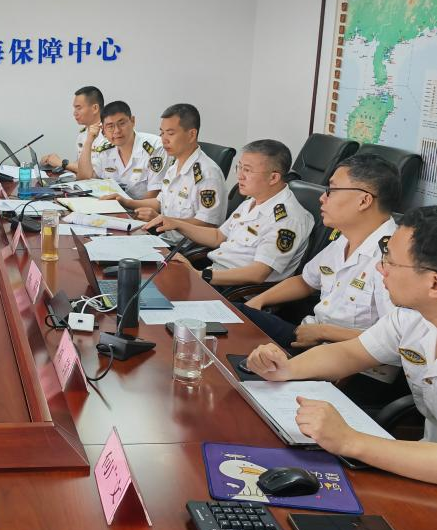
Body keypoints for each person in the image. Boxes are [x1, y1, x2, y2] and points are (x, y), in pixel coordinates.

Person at [246, 207, 437, 485]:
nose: (380, 268)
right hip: (416, 464)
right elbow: (348, 353)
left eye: (391, 263)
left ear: (433, 283)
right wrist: (285, 369)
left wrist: (349, 441)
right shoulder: (410, 317)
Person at [240, 154, 399, 350]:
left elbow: (394, 337)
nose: (322, 198)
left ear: (364, 201)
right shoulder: (345, 238)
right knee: (234, 314)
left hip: (344, 356)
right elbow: (306, 281)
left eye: (331, 191)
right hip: (308, 336)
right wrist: (259, 301)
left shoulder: (394, 259)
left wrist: (324, 332)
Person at [144, 140, 312, 286]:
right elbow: (218, 236)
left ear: (273, 178)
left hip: (234, 291)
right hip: (214, 274)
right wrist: (176, 224)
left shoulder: (288, 219)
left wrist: (200, 275)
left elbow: (258, 273)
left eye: (247, 170)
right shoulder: (253, 200)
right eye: (239, 168)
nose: (240, 176)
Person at [111, 103, 227, 241]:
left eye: (170, 133)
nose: (164, 139)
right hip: (164, 238)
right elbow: (160, 202)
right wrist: (126, 202)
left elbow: (208, 225)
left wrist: (163, 221)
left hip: (186, 247)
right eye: (162, 133)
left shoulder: (208, 174)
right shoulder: (174, 166)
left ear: (191, 135)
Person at [74, 100, 166, 199]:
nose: (117, 131)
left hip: (142, 207)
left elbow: (154, 195)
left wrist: (126, 205)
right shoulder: (104, 150)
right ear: (103, 129)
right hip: (113, 206)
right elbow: (84, 178)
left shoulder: (155, 147)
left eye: (122, 124)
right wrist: (89, 140)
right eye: (110, 126)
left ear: (132, 121)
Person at [40, 86, 110, 175]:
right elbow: (80, 164)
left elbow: (95, 172)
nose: (74, 113)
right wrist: (51, 162)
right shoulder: (83, 134)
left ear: (95, 108)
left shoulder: (110, 135)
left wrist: (62, 163)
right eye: (75, 108)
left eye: (79, 108)